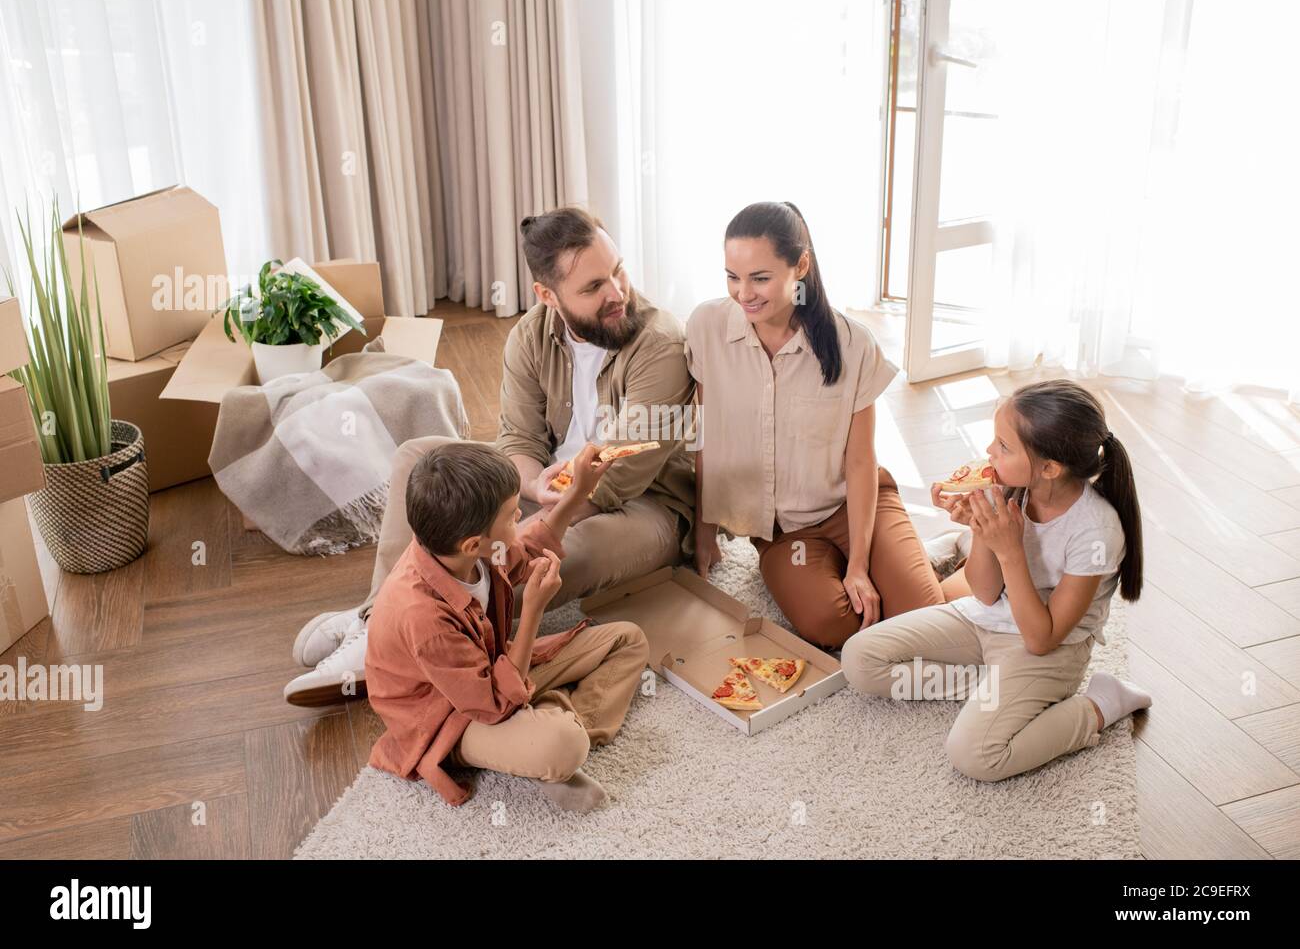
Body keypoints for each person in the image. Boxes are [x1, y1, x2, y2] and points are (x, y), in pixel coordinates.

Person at [284, 206, 694, 703]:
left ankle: (403, 631)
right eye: (592, 288)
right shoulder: (530, 335)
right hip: (550, 487)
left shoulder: (659, 342)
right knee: (419, 459)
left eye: (618, 271)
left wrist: (530, 527)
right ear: (547, 296)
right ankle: (378, 616)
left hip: (642, 508)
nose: (617, 293)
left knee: (555, 556)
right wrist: (530, 485)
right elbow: (518, 441)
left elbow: (618, 475)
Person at [841, 379, 1152, 782]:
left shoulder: (1096, 531)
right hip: (988, 620)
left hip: (1047, 647)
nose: (989, 452)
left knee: (976, 755)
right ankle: (991, 688)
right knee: (860, 660)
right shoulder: (1012, 486)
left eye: (1003, 446)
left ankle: (1099, 705)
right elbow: (986, 594)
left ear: (1050, 468)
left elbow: (1043, 638)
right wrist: (980, 525)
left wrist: (1009, 550)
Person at [686, 201, 942, 649]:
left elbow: (861, 462)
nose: (743, 293)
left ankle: (933, 563)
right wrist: (704, 528)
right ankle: (896, 568)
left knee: (925, 619)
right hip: (788, 534)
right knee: (834, 626)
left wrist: (860, 565)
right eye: (732, 276)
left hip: (855, 506)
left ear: (800, 266)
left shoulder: (852, 344)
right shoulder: (707, 326)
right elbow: (708, 435)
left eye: (760, 278)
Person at [363, 441, 648, 812]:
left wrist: (578, 490)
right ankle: (546, 746)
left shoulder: (466, 550)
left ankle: (540, 735)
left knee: (628, 640)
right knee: (563, 746)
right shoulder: (423, 616)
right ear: (473, 544)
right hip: (450, 719)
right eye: (514, 516)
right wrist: (532, 611)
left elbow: (526, 549)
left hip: (496, 674)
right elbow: (492, 705)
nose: (521, 520)